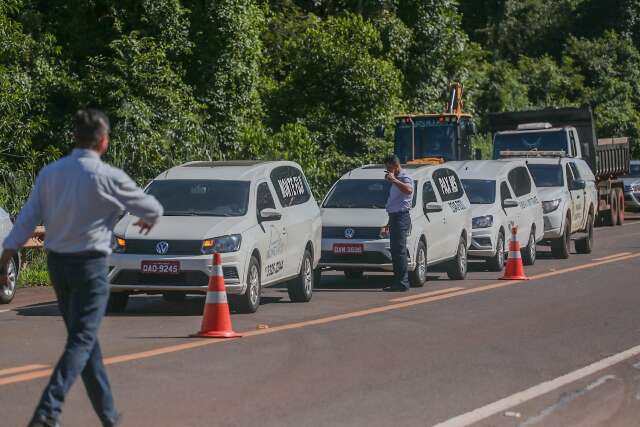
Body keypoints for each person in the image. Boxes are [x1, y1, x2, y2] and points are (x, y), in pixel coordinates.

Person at [0, 108, 163, 427]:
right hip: (90, 267)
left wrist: (6, 256)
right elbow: (152, 207)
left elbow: (28, 219)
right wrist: (147, 218)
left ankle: (108, 415)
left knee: (84, 340)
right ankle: (49, 410)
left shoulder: (51, 173)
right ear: (103, 141)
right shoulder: (108, 177)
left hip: (58, 267)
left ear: (74, 138)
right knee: (82, 340)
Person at [383, 155, 413, 292]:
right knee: (395, 251)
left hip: (401, 217)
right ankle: (398, 281)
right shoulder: (397, 178)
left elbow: (409, 190)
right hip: (395, 217)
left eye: (389, 168)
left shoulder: (404, 177)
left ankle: (402, 283)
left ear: (395, 166)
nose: (387, 171)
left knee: (399, 251)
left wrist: (394, 179)